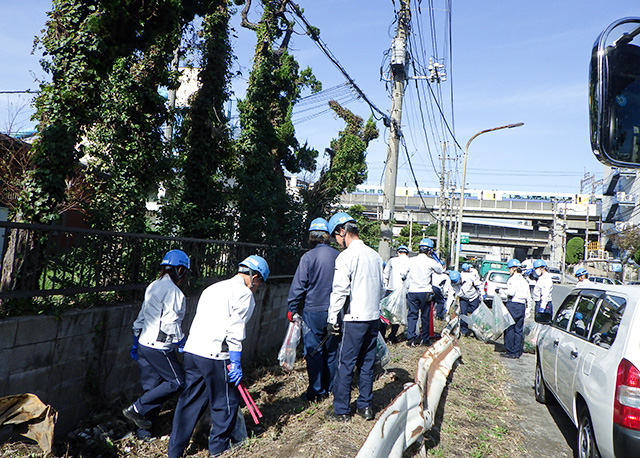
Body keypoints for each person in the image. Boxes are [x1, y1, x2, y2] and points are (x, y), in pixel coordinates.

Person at [168, 255, 269, 458]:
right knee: (226, 402)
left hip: (192, 351)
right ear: (255, 277)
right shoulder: (244, 294)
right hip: (215, 355)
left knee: (189, 401)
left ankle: (175, 451)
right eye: (259, 283)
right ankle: (218, 448)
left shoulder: (213, 287)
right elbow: (235, 330)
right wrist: (235, 362)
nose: (257, 288)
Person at [326, 212, 385, 422]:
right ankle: (365, 407)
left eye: (336, 236)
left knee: (346, 364)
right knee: (367, 364)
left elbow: (339, 290)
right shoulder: (375, 256)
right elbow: (382, 289)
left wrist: (332, 318)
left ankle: (341, 410)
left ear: (342, 231)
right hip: (373, 317)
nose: (337, 242)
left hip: (354, 319)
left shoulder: (346, 256)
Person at [123, 249, 190, 434]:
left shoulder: (153, 285)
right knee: (177, 381)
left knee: (153, 388)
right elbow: (170, 324)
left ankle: (144, 431)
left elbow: (142, 315)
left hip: (144, 344)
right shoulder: (175, 292)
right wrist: (182, 342)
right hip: (159, 347)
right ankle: (136, 409)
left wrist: (136, 341)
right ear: (180, 270)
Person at [287, 217, 340, 402]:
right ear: (327, 236)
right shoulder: (338, 256)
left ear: (311, 236)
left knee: (314, 351)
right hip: (335, 311)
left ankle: (317, 391)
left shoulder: (308, 257)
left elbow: (298, 286)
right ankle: (332, 388)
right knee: (332, 351)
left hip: (313, 312)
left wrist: (292, 308)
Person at [405, 238, 444, 347]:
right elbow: (440, 270)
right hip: (425, 292)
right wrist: (436, 258)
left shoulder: (410, 260)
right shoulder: (430, 262)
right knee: (425, 316)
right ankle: (425, 339)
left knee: (412, 315)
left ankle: (411, 338)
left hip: (412, 291)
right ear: (429, 250)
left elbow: (403, 274)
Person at [501, 259, 531, 359]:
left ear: (514, 269)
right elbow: (528, 296)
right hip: (522, 305)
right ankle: (516, 352)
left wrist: (501, 291)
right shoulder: (524, 280)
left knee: (510, 328)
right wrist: (528, 309)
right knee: (518, 330)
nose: (509, 271)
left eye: (510, 269)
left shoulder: (512, 279)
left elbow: (511, 293)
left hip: (513, 304)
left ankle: (509, 351)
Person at [381, 245, 410, 342]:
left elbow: (385, 275)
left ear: (398, 252)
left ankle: (382, 334)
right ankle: (392, 336)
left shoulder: (392, 260)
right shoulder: (410, 261)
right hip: (403, 292)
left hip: (391, 290)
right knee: (397, 315)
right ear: (407, 253)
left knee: (385, 313)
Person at [458, 263, 482, 337]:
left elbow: (478, 284)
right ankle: (464, 331)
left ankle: (476, 331)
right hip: (463, 298)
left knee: (475, 313)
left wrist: (482, 293)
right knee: (463, 314)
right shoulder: (459, 276)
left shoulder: (472, 275)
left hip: (473, 296)